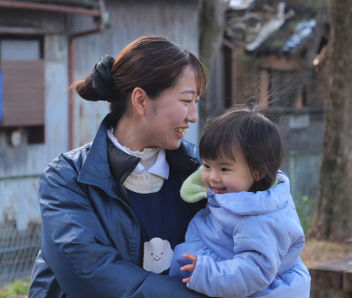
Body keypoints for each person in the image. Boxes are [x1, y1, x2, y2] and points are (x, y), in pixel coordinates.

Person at [28, 35, 208, 297]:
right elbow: (91, 275)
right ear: (140, 101)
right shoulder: (67, 178)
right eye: (186, 101)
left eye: (196, 103)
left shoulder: (204, 172)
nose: (193, 116)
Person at [169, 106, 311, 297]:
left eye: (224, 169)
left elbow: (255, 271)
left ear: (258, 171)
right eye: (207, 165)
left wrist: (207, 273)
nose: (212, 177)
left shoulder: (260, 218)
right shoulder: (234, 195)